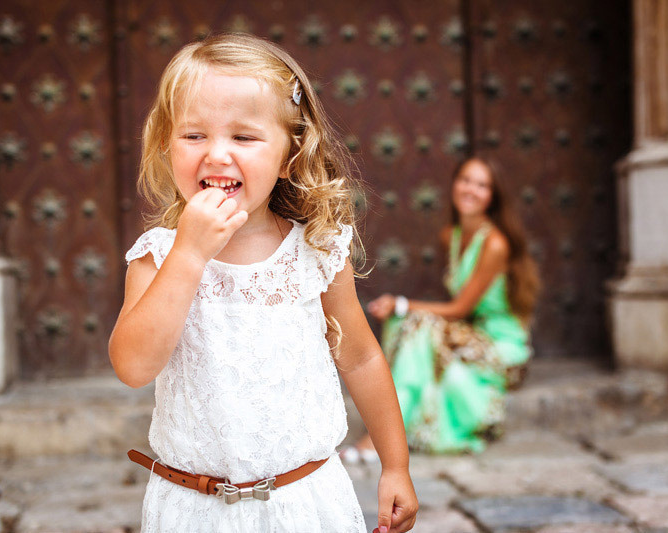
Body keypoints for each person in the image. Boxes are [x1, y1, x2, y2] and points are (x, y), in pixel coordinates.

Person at [108, 33, 417, 533]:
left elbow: (360, 358)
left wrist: (395, 465)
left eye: (244, 137)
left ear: (290, 155)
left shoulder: (316, 251)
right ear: (167, 145)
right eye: (194, 135)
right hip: (195, 510)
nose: (217, 154)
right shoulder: (158, 257)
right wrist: (189, 254)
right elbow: (133, 367)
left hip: (306, 503)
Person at [345, 157, 540, 458]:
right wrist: (402, 311)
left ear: (493, 196)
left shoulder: (495, 244)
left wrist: (401, 304)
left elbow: (460, 308)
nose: (471, 189)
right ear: (454, 184)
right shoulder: (452, 236)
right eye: (466, 180)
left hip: (501, 349)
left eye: (482, 185)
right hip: (471, 336)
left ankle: (380, 438)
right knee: (407, 324)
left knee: (416, 322)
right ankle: (388, 429)